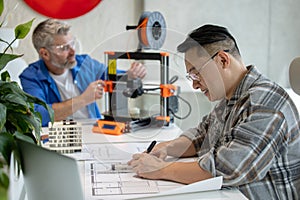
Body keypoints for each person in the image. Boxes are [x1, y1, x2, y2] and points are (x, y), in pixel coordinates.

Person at [128, 24, 300, 199]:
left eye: (196, 74)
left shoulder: (265, 102)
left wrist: (161, 169)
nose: (194, 85)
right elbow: (203, 135)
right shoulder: (231, 97)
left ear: (223, 60)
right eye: (191, 77)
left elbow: (228, 169)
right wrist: (168, 147)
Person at [19, 19, 146, 127]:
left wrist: (132, 74)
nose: (73, 51)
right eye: (64, 48)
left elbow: (115, 77)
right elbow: (39, 116)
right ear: (45, 53)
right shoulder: (30, 76)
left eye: (72, 43)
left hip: (95, 131)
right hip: (59, 138)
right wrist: (83, 99)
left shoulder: (85, 63)